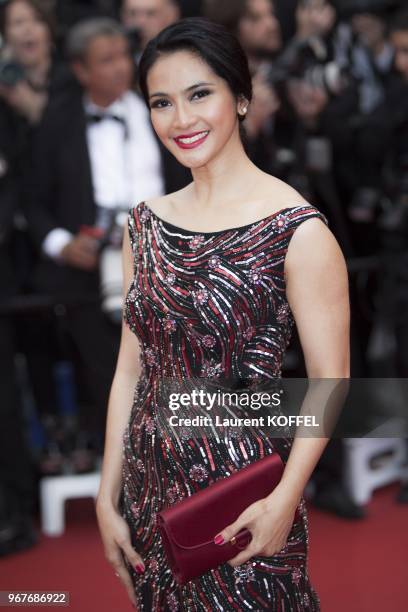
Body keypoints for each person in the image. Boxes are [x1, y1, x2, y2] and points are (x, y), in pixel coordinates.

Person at [96, 17, 350, 611]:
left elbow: (331, 385)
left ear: (240, 97)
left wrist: (286, 498)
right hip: (148, 499)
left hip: (243, 503)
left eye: (199, 94)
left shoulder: (298, 230)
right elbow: (130, 373)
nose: (181, 120)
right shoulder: (144, 225)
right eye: (162, 102)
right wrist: (107, 499)